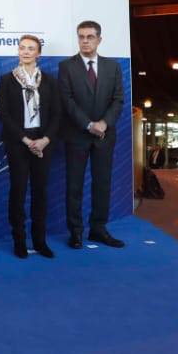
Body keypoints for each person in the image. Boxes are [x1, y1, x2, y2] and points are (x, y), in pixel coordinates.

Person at [57, 20, 126, 249]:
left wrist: (104, 123)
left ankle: (98, 229)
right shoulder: (66, 66)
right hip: (77, 135)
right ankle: (75, 232)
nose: (85, 41)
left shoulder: (113, 67)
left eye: (90, 37)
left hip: (104, 136)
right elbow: (67, 101)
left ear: (99, 39)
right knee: (74, 186)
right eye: (81, 37)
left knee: (102, 184)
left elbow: (118, 99)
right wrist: (88, 125)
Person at [0, 34, 62, 260]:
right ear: (18, 51)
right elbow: (3, 114)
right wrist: (25, 140)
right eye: (22, 47)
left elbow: (57, 114)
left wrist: (45, 140)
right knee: (18, 191)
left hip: (43, 141)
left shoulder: (50, 81)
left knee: (40, 192)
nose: (25, 51)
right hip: (18, 141)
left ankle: (40, 241)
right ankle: (19, 241)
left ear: (38, 54)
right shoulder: (7, 80)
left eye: (31, 48)